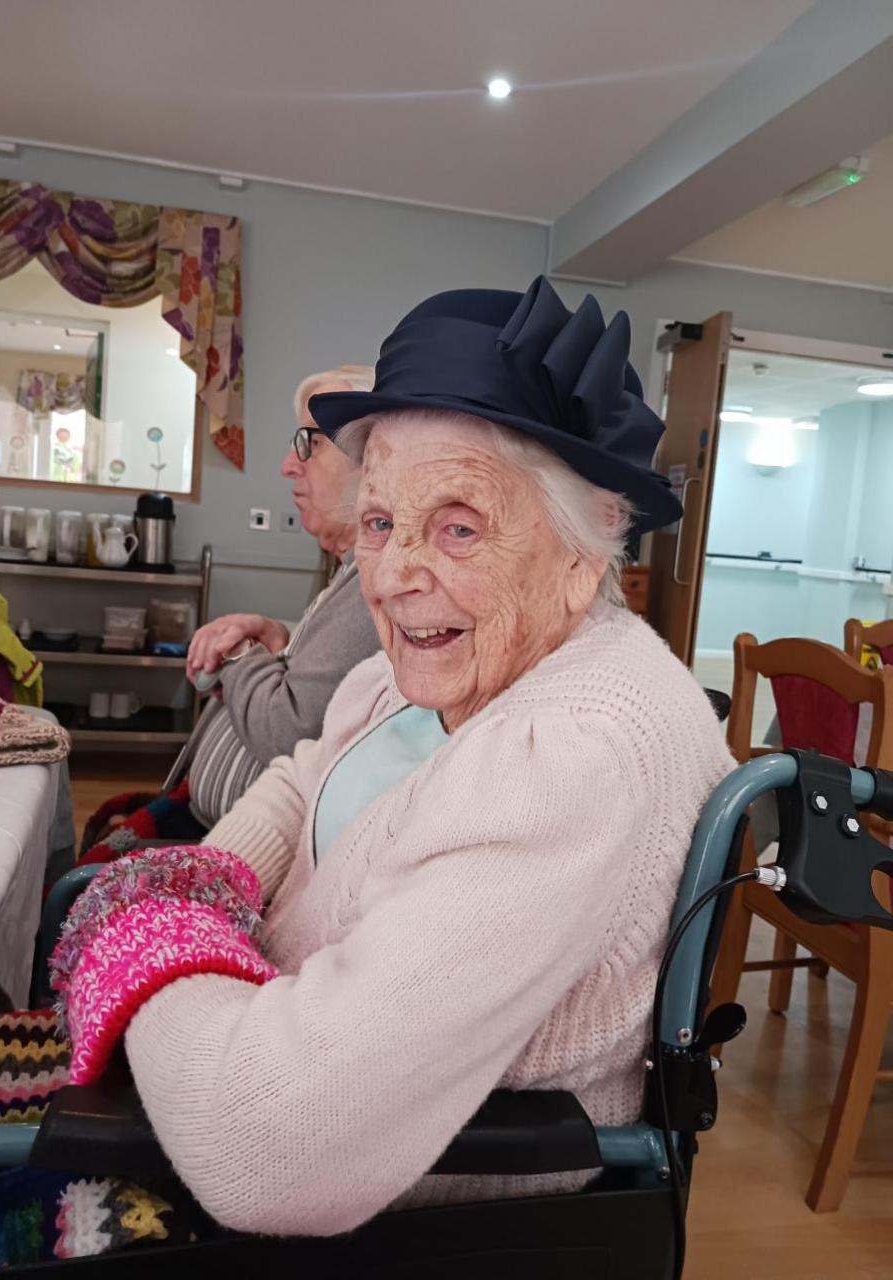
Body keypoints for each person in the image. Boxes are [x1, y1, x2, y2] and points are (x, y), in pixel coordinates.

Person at [57, 277, 734, 1239]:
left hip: (419, 1211)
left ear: (584, 554)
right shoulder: (434, 656)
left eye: (458, 525)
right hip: (275, 1038)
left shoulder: (575, 752)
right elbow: (306, 775)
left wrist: (155, 938)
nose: (395, 572)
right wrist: (210, 874)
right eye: (379, 523)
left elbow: (268, 1145)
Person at [181, 365, 381, 828]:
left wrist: (238, 656)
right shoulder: (349, 570)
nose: (288, 465)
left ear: (373, 460)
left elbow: (287, 727)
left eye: (309, 444)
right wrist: (277, 637)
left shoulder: (377, 579)